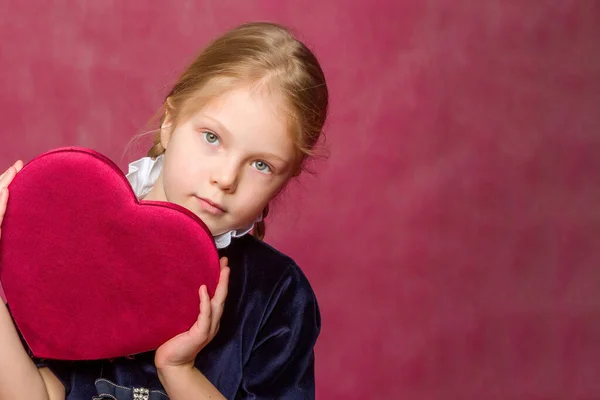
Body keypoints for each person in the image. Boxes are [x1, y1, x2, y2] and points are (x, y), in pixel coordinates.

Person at [0, 21, 328, 400]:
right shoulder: (76, 237)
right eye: (212, 138)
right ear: (170, 123)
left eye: (261, 165)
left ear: (285, 178)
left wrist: (178, 371)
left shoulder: (277, 294)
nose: (225, 178)